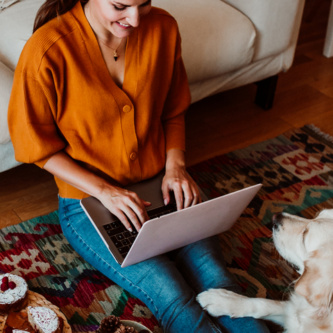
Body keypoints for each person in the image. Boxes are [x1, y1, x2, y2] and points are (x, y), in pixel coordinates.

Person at [8, 0, 270, 332]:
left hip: (161, 184)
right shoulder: (46, 50)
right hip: (89, 203)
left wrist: (176, 166)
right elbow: (35, 147)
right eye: (120, 6)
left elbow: (173, 110)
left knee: (218, 282)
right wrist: (106, 191)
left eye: (143, 4)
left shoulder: (163, 28)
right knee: (173, 297)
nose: (134, 18)